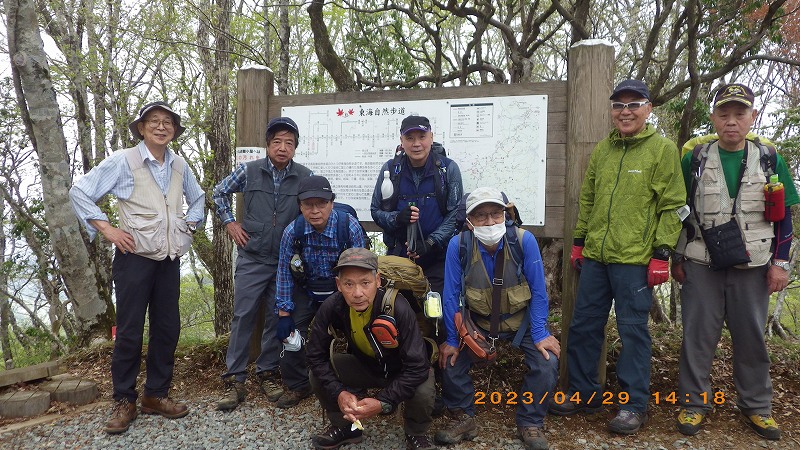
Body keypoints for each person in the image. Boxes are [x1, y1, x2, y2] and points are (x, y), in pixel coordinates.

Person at [550, 80, 686, 435]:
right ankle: (584, 393)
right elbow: (589, 198)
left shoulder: (662, 149)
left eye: (633, 104)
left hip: (635, 260)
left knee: (633, 332)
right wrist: (579, 241)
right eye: (618, 105)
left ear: (648, 109)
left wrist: (662, 253)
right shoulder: (604, 149)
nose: (625, 111)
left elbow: (673, 205)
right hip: (596, 256)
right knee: (583, 326)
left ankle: (633, 404)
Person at [69, 101, 205, 434]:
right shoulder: (124, 160)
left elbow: (198, 198)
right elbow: (80, 191)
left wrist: (190, 225)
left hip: (169, 259)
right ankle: (124, 400)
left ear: (174, 130)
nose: (161, 127)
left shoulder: (179, 165)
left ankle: (156, 395)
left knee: (167, 328)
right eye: (153, 121)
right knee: (130, 330)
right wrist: (108, 229)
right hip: (133, 258)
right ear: (141, 128)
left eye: (168, 122)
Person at [672, 83, 797, 441]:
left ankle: (757, 407)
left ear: (752, 116)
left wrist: (781, 263)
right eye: (724, 114)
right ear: (713, 118)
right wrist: (677, 257)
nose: (731, 121)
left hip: (754, 266)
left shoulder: (769, 158)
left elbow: (784, 217)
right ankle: (693, 403)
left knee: (751, 337)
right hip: (701, 263)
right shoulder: (695, 158)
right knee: (697, 337)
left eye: (739, 114)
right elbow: (680, 211)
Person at [435, 187, 560, 450]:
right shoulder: (458, 246)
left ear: (506, 215)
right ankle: (463, 416)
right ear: (469, 221)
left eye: (496, 214)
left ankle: (530, 421)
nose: (490, 222)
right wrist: (453, 339)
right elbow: (451, 296)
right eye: (481, 216)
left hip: (521, 323)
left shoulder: (524, 241)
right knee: (450, 359)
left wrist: (540, 333)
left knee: (547, 361)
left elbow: (539, 291)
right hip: (477, 323)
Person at [212, 117, 312, 410]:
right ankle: (234, 379)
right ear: (268, 145)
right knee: (243, 316)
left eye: (289, 143)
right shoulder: (250, 170)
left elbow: (314, 208)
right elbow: (219, 192)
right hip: (252, 256)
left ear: (295, 148)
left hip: (284, 261)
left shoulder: (304, 176)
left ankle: (267, 372)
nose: (283, 148)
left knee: (275, 317)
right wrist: (230, 223)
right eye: (277, 142)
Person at [306, 248, 436, 450]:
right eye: (349, 284)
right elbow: (315, 356)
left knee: (423, 386)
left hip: (401, 370)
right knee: (317, 374)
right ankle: (345, 427)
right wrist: (339, 392)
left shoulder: (398, 307)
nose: (357, 293)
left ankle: (416, 433)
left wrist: (382, 401)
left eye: (365, 283)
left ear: (378, 281)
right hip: (365, 366)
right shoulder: (333, 306)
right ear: (338, 285)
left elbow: (417, 366)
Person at [267, 175, 366, 409]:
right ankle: (299, 384)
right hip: (307, 290)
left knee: (357, 332)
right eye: (308, 205)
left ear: (331, 203)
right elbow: (284, 271)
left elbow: (362, 271)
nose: (315, 211)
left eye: (321, 204)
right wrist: (284, 313)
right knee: (290, 332)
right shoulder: (293, 231)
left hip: (341, 292)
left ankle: (356, 384)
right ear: (300, 206)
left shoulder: (348, 226)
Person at [370, 115, 463, 303]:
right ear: (402, 141)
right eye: (410, 138)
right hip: (399, 256)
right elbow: (375, 210)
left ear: (431, 137)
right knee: (398, 309)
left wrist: (430, 242)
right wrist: (397, 218)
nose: (416, 144)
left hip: (438, 257)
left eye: (422, 137)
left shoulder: (447, 169)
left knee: (436, 309)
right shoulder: (390, 170)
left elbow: (455, 214)